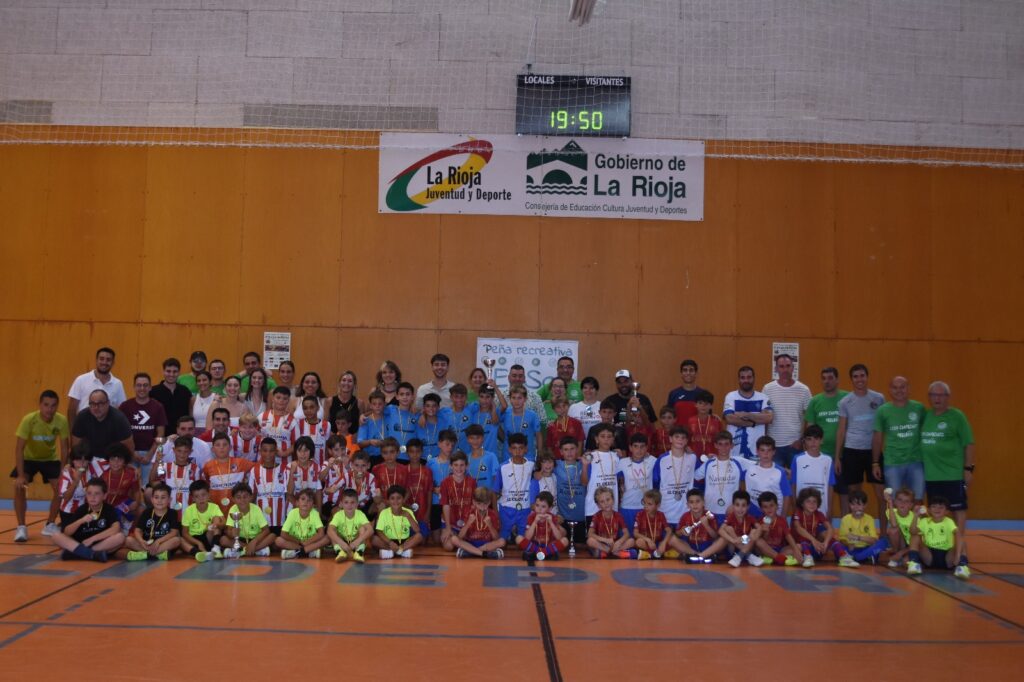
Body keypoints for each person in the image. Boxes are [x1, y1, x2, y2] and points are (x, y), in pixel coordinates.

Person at [920, 380, 975, 557]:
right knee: (936, 513)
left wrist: (968, 469)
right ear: (929, 397)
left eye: (941, 395)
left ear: (948, 397)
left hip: (952, 475)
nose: (937, 398)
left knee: (958, 512)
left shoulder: (957, 416)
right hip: (931, 476)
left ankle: (960, 552)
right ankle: (938, 548)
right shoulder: (925, 416)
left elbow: (969, 443)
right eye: (933, 395)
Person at [12, 390, 70, 541]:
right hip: (29, 459)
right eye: (46, 405)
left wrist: (63, 471)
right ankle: (21, 527)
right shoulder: (29, 420)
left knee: (61, 488)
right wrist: (20, 475)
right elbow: (19, 448)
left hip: (49, 459)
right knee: (19, 487)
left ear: (57, 406)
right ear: (40, 405)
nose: (49, 409)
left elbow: (65, 448)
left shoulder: (61, 421)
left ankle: (50, 524)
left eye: (53, 405)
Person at [835, 363, 885, 517]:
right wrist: (837, 457)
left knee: (882, 494)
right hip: (852, 451)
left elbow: (882, 427)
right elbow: (841, 430)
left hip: (873, 452)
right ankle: (855, 529)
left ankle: (884, 530)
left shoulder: (879, 398)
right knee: (854, 494)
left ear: (867, 377)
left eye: (862, 375)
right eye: (855, 377)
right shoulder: (845, 401)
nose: (859, 379)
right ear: (851, 379)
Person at [872, 375, 926, 502]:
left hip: (916, 461)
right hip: (893, 463)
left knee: (918, 501)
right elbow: (877, 438)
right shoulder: (882, 411)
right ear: (890, 390)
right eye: (895, 388)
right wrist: (875, 463)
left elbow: (926, 433)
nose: (899, 390)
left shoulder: (919, 408)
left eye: (902, 387)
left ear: (908, 388)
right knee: (894, 502)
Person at [49, 477, 124, 562]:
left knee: (120, 537)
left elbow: (116, 528)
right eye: (89, 493)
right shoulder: (82, 509)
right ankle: (92, 554)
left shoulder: (109, 509)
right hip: (79, 543)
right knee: (56, 535)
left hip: (99, 544)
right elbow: (67, 532)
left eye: (97, 494)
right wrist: (81, 521)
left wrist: (92, 539)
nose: (93, 497)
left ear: (104, 496)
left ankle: (79, 553)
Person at [762, 354, 811, 469]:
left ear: (793, 368)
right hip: (773, 447)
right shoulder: (767, 389)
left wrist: (802, 440)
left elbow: (809, 418)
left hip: (795, 446)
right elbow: (764, 417)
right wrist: (766, 441)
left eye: (788, 366)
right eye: (781, 366)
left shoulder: (804, 390)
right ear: (776, 369)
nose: (785, 369)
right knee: (775, 478)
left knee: (795, 477)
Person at [791, 487, 858, 568]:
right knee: (803, 540)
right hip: (801, 547)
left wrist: (825, 543)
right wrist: (813, 540)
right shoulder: (797, 513)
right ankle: (807, 557)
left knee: (828, 536)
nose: (812, 504)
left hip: (815, 547)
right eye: (808, 501)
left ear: (818, 503)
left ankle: (843, 557)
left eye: (814, 501)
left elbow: (830, 528)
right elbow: (798, 528)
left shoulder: (819, 514)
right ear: (802, 503)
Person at [906, 496, 968, 579]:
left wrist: (957, 555)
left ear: (946, 511)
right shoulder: (924, 521)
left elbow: (958, 534)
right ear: (929, 510)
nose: (937, 509)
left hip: (947, 557)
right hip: (929, 556)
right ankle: (914, 563)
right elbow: (912, 531)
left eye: (941, 507)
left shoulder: (949, 522)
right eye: (934, 506)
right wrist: (915, 516)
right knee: (915, 536)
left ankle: (962, 566)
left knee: (962, 541)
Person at [120, 372, 168, 477]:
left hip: (150, 453)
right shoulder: (125, 406)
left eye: (145, 385)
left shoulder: (158, 406)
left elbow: (160, 434)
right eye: (139, 385)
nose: (142, 388)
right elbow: (120, 433)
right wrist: (131, 452)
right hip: (129, 454)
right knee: (129, 485)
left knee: (148, 485)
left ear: (150, 387)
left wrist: (150, 454)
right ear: (134, 387)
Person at [723, 366, 773, 463]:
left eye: (749, 377)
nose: (746, 380)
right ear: (739, 379)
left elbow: (768, 418)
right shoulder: (731, 396)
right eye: (743, 377)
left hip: (757, 452)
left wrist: (745, 414)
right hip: (734, 452)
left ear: (754, 378)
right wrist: (754, 422)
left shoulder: (763, 397)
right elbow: (729, 418)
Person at [71, 389, 135, 463]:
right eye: (92, 404)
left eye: (100, 403)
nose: (96, 407)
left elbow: (129, 447)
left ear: (108, 403)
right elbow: (75, 445)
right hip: (88, 460)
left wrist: (127, 465)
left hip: (112, 461)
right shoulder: (82, 417)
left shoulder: (119, 419)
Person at [694, 431, 746, 521]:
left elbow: (744, 487)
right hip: (709, 510)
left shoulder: (738, 463)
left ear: (732, 445)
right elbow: (695, 476)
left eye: (726, 444)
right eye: (720, 444)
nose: (723, 448)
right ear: (715, 445)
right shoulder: (708, 464)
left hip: (731, 510)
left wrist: (736, 504)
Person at [123, 482, 181, 561]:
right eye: (156, 497)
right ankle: (157, 554)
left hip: (162, 543)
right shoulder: (146, 512)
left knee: (176, 540)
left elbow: (174, 532)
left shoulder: (172, 513)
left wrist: (158, 541)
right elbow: (137, 530)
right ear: (152, 499)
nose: (159, 500)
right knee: (128, 540)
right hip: (146, 544)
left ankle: (146, 554)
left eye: (163, 497)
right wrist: (141, 541)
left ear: (169, 500)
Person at [67, 347, 126, 423]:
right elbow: (72, 409)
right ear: (96, 360)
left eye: (108, 360)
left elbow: (121, 409)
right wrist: (73, 429)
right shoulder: (81, 380)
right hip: (85, 426)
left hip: (108, 428)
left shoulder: (118, 384)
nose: (104, 362)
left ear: (113, 363)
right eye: (101, 359)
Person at [654, 426, 697, 529]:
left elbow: (700, 476)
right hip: (665, 509)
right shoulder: (662, 459)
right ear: (670, 439)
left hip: (685, 510)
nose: (680, 440)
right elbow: (655, 482)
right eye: (677, 437)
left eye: (683, 438)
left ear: (687, 441)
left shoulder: (693, 458)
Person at [667, 488, 725, 563]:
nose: (695, 505)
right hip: (691, 548)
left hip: (709, 547)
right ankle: (700, 556)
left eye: (698, 501)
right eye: (691, 502)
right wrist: (682, 531)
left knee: (723, 539)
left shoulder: (710, 515)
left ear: (703, 502)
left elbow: (715, 536)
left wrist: (707, 525)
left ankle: (698, 557)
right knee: (671, 539)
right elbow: (677, 534)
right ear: (687, 505)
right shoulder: (685, 516)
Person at [803, 366, 849, 461]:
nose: (826, 381)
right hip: (821, 453)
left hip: (845, 452)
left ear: (837, 380)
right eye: (824, 378)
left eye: (830, 378)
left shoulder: (847, 398)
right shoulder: (815, 401)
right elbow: (810, 430)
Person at [790, 425, 836, 518]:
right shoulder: (798, 459)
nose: (813, 442)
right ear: (804, 441)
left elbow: (830, 486)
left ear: (822, 440)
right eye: (809, 439)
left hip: (822, 509)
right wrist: (795, 507)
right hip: (802, 509)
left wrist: (830, 509)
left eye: (816, 439)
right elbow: (793, 485)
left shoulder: (828, 460)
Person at [203, 432, 254, 515]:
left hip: (237, 509)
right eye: (218, 445)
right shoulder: (208, 466)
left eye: (225, 444)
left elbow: (259, 467)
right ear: (213, 449)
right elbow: (206, 482)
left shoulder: (241, 462)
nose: (221, 447)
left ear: (230, 448)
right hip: (216, 509)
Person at [220, 482, 275, 558]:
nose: (242, 500)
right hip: (240, 540)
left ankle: (241, 551)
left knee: (272, 536)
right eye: (238, 497)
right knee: (223, 540)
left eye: (245, 497)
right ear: (233, 499)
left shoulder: (256, 509)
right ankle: (256, 550)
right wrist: (233, 533)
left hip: (255, 538)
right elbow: (229, 531)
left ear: (251, 497)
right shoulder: (233, 509)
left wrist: (254, 542)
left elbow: (266, 530)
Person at [496, 434, 535, 540]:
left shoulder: (532, 465)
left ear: (526, 449)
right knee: (503, 540)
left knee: (524, 540)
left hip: (525, 508)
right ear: (509, 449)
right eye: (514, 448)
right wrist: (496, 512)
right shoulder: (503, 467)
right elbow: (495, 491)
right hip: (506, 509)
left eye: (521, 448)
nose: (517, 451)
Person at [744, 435, 793, 518]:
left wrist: (783, 517)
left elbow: (786, 495)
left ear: (774, 452)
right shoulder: (749, 469)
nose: (765, 454)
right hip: (753, 514)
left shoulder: (780, 472)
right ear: (757, 451)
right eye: (762, 450)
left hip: (773, 515)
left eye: (769, 450)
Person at [452, 486, 506, 559]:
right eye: (479, 504)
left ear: (489, 502)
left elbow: (496, 538)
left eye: (485, 504)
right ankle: (484, 554)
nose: (482, 507)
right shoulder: (469, 513)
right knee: (454, 539)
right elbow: (460, 537)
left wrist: (490, 526)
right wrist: (468, 524)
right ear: (474, 502)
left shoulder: (493, 514)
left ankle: (470, 552)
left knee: (502, 541)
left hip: (486, 544)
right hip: (471, 543)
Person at [249, 438, 290, 535]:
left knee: (277, 541)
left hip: (280, 519)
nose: (268, 454)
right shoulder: (255, 470)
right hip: (262, 520)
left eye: (271, 451)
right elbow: (252, 495)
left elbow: (288, 494)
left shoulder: (284, 468)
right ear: (260, 452)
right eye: (265, 450)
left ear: (276, 452)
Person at [151, 435, 200, 514]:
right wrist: (157, 461)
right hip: (168, 513)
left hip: (189, 513)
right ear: (174, 450)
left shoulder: (195, 469)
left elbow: (198, 491)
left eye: (185, 451)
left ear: (191, 451)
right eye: (179, 451)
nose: (182, 454)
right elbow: (152, 481)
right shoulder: (165, 467)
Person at [617, 433, 657, 531]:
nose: (639, 450)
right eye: (636, 446)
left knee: (646, 536)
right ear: (630, 448)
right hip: (627, 506)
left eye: (642, 446)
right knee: (628, 536)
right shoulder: (622, 462)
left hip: (646, 507)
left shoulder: (653, 461)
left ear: (646, 448)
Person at [838, 489, 889, 564]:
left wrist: (858, 537)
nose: (856, 508)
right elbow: (842, 539)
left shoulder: (870, 519)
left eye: (859, 505)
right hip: (852, 549)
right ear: (849, 505)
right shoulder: (845, 519)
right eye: (853, 504)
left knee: (884, 542)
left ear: (865, 505)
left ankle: (857, 558)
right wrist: (848, 544)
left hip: (866, 548)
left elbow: (873, 540)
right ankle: (866, 557)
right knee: (838, 546)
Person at [276, 488, 329, 559]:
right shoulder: (292, 513)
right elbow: (283, 533)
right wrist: (299, 542)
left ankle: (297, 552)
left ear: (313, 505)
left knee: (327, 538)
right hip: (296, 543)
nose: (305, 502)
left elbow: (321, 533)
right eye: (303, 499)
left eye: (309, 500)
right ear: (297, 503)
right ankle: (308, 552)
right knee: (278, 540)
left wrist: (306, 542)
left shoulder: (315, 513)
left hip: (310, 542)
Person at [581, 424, 620, 520]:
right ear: (596, 439)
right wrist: (585, 466)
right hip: (593, 508)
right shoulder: (590, 456)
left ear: (613, 439)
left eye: (609, 436)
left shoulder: (617, 457)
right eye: (602, 436)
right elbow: (584, 482)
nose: (606, 439)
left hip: (612, 507)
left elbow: (620, 481)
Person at [179, 479, 225, 562]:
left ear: (209, 495)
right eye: (197, 496)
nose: (201, 499)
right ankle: (200, 553)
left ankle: (216, 549)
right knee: (180, 540)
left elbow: (223, 523)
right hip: (194, 540)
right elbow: (184, 533)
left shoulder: (214, 507)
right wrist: (198, 543)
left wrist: (215, 525)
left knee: (216, 520)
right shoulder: (188, 510)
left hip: (208, 537)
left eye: (203, 495)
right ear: (193, 498)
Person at [752, 492, 801, 566]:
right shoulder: (759, 521)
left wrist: (796, 550)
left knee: (798, 546)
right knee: (758, 541)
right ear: (761, 509)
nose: (769, 509)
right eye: (765, 507)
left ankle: (773, 558)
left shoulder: (782, 520)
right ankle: (780, 558)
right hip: (765, 550)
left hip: (780, 550)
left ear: (777, 506)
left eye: (771, 505)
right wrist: (764, 532)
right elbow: (759, 540)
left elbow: (788, 536)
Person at [373, 484, 422, 558]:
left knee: (419, 536)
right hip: (389, 542)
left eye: (398, 498)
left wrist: (409, 516)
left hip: (404, 542)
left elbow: (417, 530)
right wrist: (390, 542)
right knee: (374, 539)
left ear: (403, 499)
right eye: (392, 498)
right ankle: (400, 551)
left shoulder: (408, 512)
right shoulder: (384, 512)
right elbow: (379, 531)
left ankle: (396, 551)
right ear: (388, 500)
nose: (395, 501)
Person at [586, 486, 636, 559]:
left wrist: (619, 542)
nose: (606, 503)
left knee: (631, 541)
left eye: (608, 499)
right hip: (602, 544)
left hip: (615, 544)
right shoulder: (596, 516)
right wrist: (605, 540)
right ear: (598, 505)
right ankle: (616, 552)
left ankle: (607, 553)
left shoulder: (618, 516)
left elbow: (627, 534)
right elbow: (590, 534)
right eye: (602, 502)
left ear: (613, 500)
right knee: (590, 541)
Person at [439, 452, 476, 551]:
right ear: (450, 466)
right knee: (448, 546)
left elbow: (474, 505)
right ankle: (465, 547)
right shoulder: (445, 483)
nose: (459, 468)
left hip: (467, 522)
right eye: (455, 465)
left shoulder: (472, 482)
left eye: (462, 465)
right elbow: (445, 505)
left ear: (467, 466)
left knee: (472, 540)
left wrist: (469, 524)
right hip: (450, 523)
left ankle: (464, 547)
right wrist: (448, 528)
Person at [516, 491, 568, 561]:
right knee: (518, 538)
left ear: (550, 508)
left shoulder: (553, 518)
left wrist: (551, 523)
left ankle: (542, 553)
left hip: (548, 546)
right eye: (537, 505)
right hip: (534, 546)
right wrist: (535, 522)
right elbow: (527, 538)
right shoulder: (531, 517)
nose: (539, 509)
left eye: (543, 506)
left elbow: (559, 538)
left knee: (565, 540)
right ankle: (542, 553)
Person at [101, 444, 141, 534]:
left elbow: (136, 491)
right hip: (105, 505)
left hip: (123, 504)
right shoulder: (102, 473)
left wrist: (137, 502)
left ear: (124, 461)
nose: (116, 463)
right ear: (108, 460)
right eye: (113, 459)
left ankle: (132, 532)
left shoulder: (131, 474)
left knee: (141, 510)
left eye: (119, 460)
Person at [719, 490, 765, 567]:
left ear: (748, 507)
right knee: (728, 528)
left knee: (754, 531)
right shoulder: (731, 517)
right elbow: (720, 530)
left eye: (743, 505)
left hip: (746, 543)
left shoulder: (750, 517)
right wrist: (733, 540)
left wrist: (751, 538)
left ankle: (740, 556)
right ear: (733, 506)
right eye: (737, 505)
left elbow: (759, 528)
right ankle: (749, 556)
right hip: (733, 548)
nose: (740, 509)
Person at [555, 437, 586, 547]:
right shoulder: (556, 465)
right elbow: (540, 471)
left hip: (580, 515)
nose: (569, 452)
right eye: (566, 449)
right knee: (563, 545)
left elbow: (585, 483)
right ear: (561, 451)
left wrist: (585, 465)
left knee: (580, 547)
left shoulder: (584, 464)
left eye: (572, 449)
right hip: (562, 516)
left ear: (577, 449)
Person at [327, 488, 373, 563]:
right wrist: (341, 543)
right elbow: (329, 530)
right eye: (346, 502)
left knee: (363, 528)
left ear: (357, 504)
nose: (349, 505)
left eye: (352, 502)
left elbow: (370, 530)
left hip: (356, 543)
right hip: (342, 543)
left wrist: (357, 541)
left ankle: (359, 552)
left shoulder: (360, 514)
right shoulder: (338, 515)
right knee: (332, 530)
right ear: (341, 504)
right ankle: (340, 552)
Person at [427, 429, 455, 542]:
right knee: (436, 539)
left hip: (450, 503)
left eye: (452, 445)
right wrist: (434, 489)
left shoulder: (455, 463)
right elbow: (426, 483)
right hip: (435, 502)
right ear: (439, 443)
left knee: (447, 537)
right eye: (447, 444)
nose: (450, 448)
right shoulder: (431, 462)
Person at [501, 386, 541, 462]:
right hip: (508, 456)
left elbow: (538, 435)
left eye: (519, 398)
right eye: (513, 398)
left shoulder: (532, 415)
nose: (516, 401)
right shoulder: (505, 413)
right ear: (510, 399)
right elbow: (495, 424)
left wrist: (540, 453)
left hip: (528, 456)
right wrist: (504, 438)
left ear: (525, 399)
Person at [150, 358, 192, 431]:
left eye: (175, 371)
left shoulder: (185, 391)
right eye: (168, 371)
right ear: (163, 371)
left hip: (182, 434)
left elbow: (189, 414)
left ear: (179, 372)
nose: (171, 374)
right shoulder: (153, 392)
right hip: (161, 434)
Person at [57, 445, 94, 526]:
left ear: (89, 461)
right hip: (68, 512)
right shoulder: (67, 473)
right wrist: (76, 481)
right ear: (73, 460)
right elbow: (66, 498)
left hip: (85, 511)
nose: (81, 464)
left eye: (85, 460)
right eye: (78, 460)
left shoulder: (92, 470)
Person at [289, 395, 331, 466]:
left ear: (318, 408)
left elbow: (327, 447)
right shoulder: (298, 424)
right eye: (305, 408)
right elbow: (295, 446)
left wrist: (326, 464)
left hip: (320, 466)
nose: (308, 411)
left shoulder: (326, 425)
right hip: (302, 466)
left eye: (312, 407)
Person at [372, 438, 408, 511]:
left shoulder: (404, 469)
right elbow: (375, 492)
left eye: (392, 452)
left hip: (400, 504)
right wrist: (385, 502)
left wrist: (401, 502)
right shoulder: (376, 469)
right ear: (381, 454)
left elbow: (408, 491)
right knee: (379, 507)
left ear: (398, 453)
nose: (389, 455)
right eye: (385, 453)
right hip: (383, 504)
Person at [287, 436, 322, 511]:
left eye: (306, 450)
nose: (302, 454)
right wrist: (292, 471)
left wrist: (319, 512)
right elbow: (289, 493)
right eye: (299, 450)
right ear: (295, 451)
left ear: (311, 451)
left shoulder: (316, 467)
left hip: (311, 508)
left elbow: (318, 492)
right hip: (294, 509)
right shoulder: (289, 467)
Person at [883, 487, 916, 568]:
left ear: (911, 505)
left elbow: (917, 542)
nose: (902, 503)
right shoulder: (891, 511)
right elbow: (894, 525)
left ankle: (898, 556)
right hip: (901, 544)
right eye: (900, 500)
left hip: (912, 546)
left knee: (906, 562)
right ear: (895, 502)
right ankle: (896, 553)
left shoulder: (915, 517)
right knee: (893, 530)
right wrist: (890, 503)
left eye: (906, 501)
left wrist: (901, 553)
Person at [633, 490, 670, 559]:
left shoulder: (661, 515)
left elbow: (669, 531)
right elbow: (635, 533)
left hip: (657, 543)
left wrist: (664, 542)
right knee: (639, 542)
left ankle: (652, 554)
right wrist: (648, 540)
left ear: (658, 505)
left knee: (672, 540)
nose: (645, 506)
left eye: (649, 504)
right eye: (644, 503)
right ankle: (653, 554)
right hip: (646, 543)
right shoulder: (639, 514)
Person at [465, 424, 501, 494]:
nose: (475, 441)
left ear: (483, 438)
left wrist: (495, 495)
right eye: (472, 438)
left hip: (489, 496)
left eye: (478, 438)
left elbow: (496, 478)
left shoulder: (491, 456)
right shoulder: (465, 458)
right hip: (471, 496)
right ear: (467, 439)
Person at [686, 390, 722, 460]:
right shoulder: (690, 421)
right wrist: (687, 448)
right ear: (696, 404)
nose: (703, 406)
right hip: (693, 457)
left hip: (712, 457)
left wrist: (717, 454)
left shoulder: (716, 421)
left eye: (706, 404)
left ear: (711, 406)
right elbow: (686, 439)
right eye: (700, 403)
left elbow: (721, 441)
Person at [259, 386, 295, 453]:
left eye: (285, 398)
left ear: (288, 401)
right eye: (278, 397)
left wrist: (284, 453)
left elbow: (296, 443)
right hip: (263, 458)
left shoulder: (293, 420)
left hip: (284, 458)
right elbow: (255, 436)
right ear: (273, 399)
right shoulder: (261, 416)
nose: (281, 401)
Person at [667, 359, 704, 425]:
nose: (688, 373)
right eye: (685, 370)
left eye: (691, 370)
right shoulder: (673, 394)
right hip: (678, 431)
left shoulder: (703, 394)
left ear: (696, 373)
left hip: (697, 431)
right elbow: (669, 416)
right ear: (681, 374)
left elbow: (707, 417)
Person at [328, 370, 362, 435]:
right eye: (344, 380)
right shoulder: (329, 401)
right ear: (339, 383)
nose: (346, 383)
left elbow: (361, 426)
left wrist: (352, 438)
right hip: (333, 439)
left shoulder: (360, 403)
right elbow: (325, 425)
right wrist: (335, 438)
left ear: (354, 385)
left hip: (353, 440)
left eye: (350, 381)